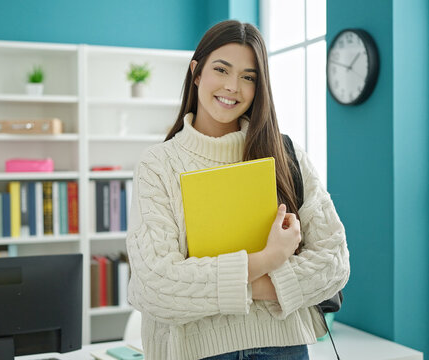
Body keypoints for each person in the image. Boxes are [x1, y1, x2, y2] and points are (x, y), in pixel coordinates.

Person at [126, 20, 349, 360]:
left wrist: (252, 284)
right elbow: (156, 286)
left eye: (248, 77)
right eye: (222, 70)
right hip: (197, 352)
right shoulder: (159, 165)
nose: (233, 87)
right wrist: (267, 259)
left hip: (284, 348)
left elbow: (334, 261)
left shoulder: (286, 154)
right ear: (196, 72)